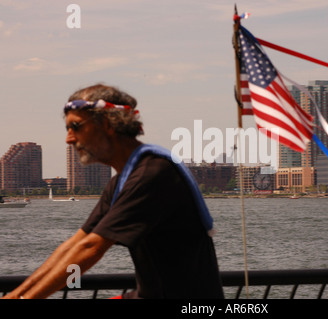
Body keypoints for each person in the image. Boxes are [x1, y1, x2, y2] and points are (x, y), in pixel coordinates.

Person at [3, 84, 224, 299]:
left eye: (76, 126)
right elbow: (76, 243)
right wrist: (18, 295)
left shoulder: (152, 174)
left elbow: (92, 247)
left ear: (107, 124)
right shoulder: (122, 180)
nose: (69, 138)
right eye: (67, 128)